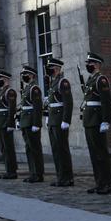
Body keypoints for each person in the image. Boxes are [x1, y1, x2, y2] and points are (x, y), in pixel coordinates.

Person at [80, 53, 111, 194]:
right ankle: (99, 182)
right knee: (94, 154)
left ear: (98, 64)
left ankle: (106, 183)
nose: (89, 65)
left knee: (101, 153)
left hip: (97, 120)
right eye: (88, 63)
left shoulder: (101, 79)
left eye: (91, 63)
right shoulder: (90, 79)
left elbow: (106, 102)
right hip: (89, 120)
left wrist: (106, 121)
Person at [46, 58, 74, 186]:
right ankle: (60, 176)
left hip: (59, 120)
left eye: (50, 67)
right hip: (53, 120)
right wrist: (48, 117)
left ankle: (67, 177)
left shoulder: (63, 82)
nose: (48, 70)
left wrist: (66, 120)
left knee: (62, 149)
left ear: (56, 68)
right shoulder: (53, 82)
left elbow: (68, 102)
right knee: (56, 150)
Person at [18, 64, 44, 183]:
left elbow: (38, 107)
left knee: (35, 148)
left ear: (32, 75)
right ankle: (33, 172)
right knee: (29, 148)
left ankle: (38, 173)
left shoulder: (34, 89)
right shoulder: (27, 88)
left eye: (26, 74)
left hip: (31, 122)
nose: (24, 76)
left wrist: (36, 124)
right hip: (26, 122)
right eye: (23, 75)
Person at [0, 71, 19, 179]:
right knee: (4, 148)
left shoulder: (9, 91)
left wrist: (10, 123)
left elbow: (11, 109)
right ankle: (8, 170)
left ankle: (12, 171)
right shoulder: (1, 91)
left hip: (5, 123)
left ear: (5, 79)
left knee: (8, 148)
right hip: (0, 123)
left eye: (0, 79)